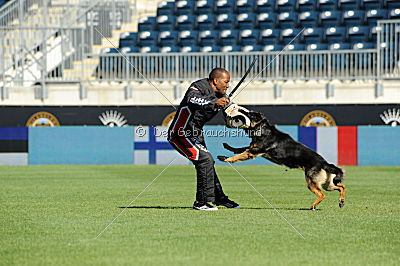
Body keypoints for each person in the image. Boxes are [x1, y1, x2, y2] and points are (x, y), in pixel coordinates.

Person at [168, 68, 240, 211]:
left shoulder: (220, 95)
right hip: (180, 134)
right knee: (205, 160)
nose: (228, 85)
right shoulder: (199, 86)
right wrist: (214, 102)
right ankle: (201, 203)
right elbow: (192, 99)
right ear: (215, 81)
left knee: (207, 164)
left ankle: (219, 198)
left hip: (196, 134)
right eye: (226, 82)